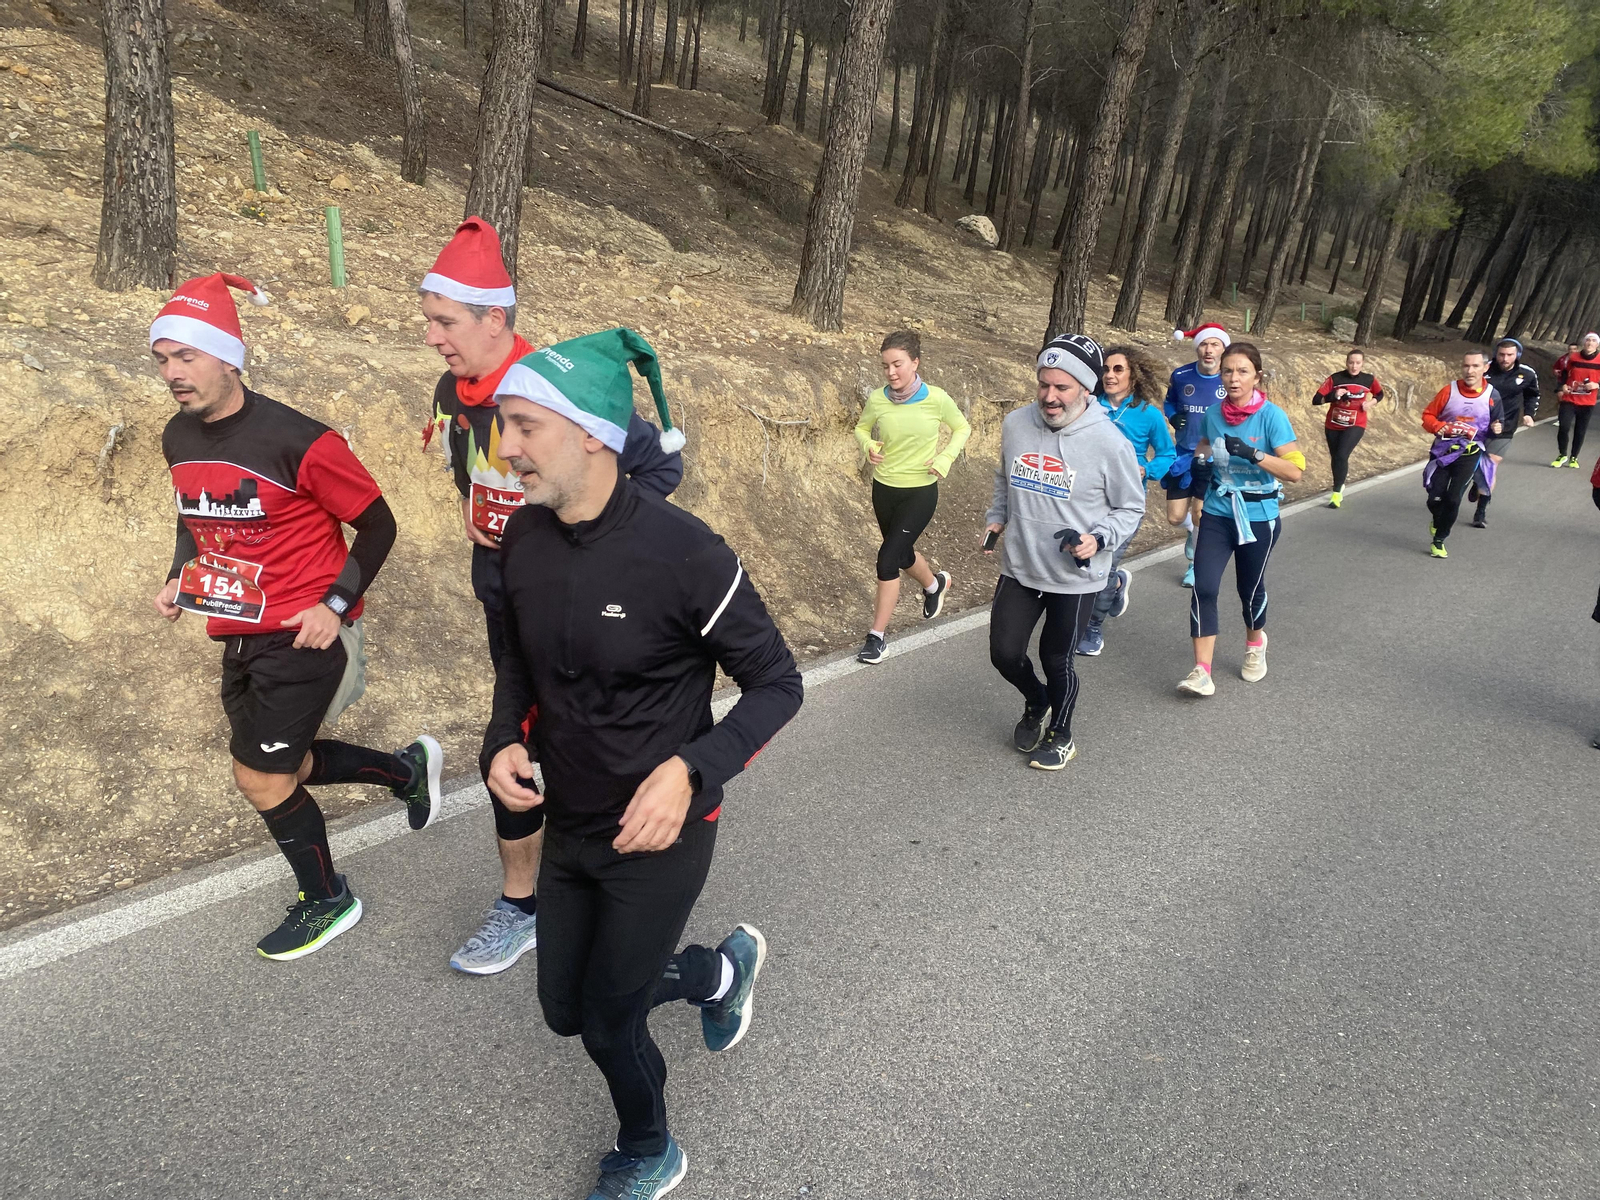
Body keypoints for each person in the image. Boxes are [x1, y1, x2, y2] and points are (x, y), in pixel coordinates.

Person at [480, 329, 803, 1200]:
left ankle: (648, 1148)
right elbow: (516, 660)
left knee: (607, 1022)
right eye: (500, 426)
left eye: (521, 427)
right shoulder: (524, 541)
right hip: (572, 822)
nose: (503, 450)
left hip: (663, 831)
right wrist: (503, 737)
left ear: (590, 432)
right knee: (562, 1011)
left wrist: (693, 769)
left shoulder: (685, 553)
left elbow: (777, 683)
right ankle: (715, 973)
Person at [150, 273, 442, 960]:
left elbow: (378, 526)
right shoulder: (176, 437)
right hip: (236, 629)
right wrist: (176, 577)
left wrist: (333, 607)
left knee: (260, 778)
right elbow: (195, 518)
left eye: (186, 356)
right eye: (162, 359)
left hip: (303, 634)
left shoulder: (300, 441)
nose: (173, 373)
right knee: (290, 764)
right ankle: (405, 774)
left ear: (229, 357)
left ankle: (328, 899)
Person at [421, 218, 683, 976]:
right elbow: (469, 470)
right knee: (515, 742)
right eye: (429, 321)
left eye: (447, 322)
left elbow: (657, 473)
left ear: (494, 318)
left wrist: (583, 546)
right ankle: (531, 900)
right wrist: (486, 517)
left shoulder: (557, 387)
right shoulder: (453, 389)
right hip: (506, 597)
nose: (435, 337)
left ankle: (596, 891)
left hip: (582, 604)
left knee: (561, 743)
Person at [983, 334, 1146, 768]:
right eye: (1043, 385)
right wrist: (997, 515)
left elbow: (1132, 506)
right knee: (1004, 653)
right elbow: (1005, 475)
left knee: (1056, 658)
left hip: (1076, 575)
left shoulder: (1110, 442)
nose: (1049, 397)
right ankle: (1037, 701)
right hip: (1021, 564)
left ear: (1086, 389)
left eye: (1062, 388)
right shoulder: (1016, 423)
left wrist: (1100, 538)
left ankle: (1062, 733)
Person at [1177, 342, 1305, 697]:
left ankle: (1254, 643)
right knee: (1204, 586)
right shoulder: (1214, 413)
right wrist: (1200, 464)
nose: (1234, 378)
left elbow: (1295, 471)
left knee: (1249, 590)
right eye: (1228, 371)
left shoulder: (1272, 416)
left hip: (1258, 516)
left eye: (1242, 371)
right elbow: (1205, 442)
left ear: (1256, 377)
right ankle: (1202, 671)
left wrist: (1254, 453)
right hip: (1219, 511)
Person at [851, 330, 970, 664]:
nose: (891, 372)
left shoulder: (937, 399)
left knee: (887, 558)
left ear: (915, 362)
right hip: (884, 489)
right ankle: (935, 585)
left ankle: (876, 638)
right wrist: (868, 445)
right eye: (886, 365)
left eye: (898, 364)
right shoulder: (877, 399)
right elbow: (861, 428)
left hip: (920, 491)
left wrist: (945, 458)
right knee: (901, 554)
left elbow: (962, 428)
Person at [1077, 344, 1174, 656]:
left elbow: (1167, 453)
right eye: (1106, 369)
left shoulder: (1149, 415)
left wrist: (1146, 469)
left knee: (1103, 564)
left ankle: (1092, 627)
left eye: (1118, 369)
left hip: (1126, 504)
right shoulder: (1088, 405)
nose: (1109, 375)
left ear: (1134, 375)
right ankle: (1117, 584)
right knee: (1084, 561)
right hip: (1088, 499)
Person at [1164, 323, 1232, 587]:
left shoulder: (1229, 378)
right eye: (1204, 344)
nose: (1209, 350)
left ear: (1223, 348)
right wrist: (1173, 415)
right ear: (1197, 348)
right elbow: (1169, 401)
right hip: (1183, 454)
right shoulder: (1181, 375)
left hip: (1215, 457)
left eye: (1215, 344)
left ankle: (1194, 564)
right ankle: (1194, 532)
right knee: (1175, 517)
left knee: (1200, 513)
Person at [1421, 350, 1504, 559]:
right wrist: (1437, 426)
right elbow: (1428, 415)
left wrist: (1497, 428)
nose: (1470, 371)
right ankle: (1438, 518)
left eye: (1475, 366)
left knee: (1454, 499)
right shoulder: (1449, 391)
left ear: (1485, 368)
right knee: (1434, 499)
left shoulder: (1492, 395)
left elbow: (1499, 421)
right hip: (1443, 451)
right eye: (1466, 366)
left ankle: (1439, 539)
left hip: (1470, 453)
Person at [1471, 337, 1540, 525]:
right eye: (1501, 354)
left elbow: (1532, 395)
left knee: (1489, 465)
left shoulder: (1526, 374)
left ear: (1517, 355)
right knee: (1473, 463)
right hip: (1477, 424)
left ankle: (1481, 511)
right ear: (1496, 354)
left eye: (1510, 355)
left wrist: (1529, 414)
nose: (1505, 359)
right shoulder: (1483, 369)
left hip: (1505, 426)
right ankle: (1475, 478)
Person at [1310, 348, 1385, 508]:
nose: (1354, 366)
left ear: (1362, 364)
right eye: (1351, 362)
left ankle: (1336, 494)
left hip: (1356, 424)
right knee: (1336, 457)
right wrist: (1334, 395)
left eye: (1358, 363)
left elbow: (1380, 394)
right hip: (1333, 424)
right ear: (1346, 363)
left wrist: (1370, 403)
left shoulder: (1368, 379)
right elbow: (1316, 400)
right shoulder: (1336, 378)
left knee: (1342, 454)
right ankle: (1339, 484)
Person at [1552, 331, 1600, 468]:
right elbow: (1565, 373)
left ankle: (1574, 457)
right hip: (1570, 397)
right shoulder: (1574, 357)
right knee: (1564, 426)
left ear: (1597, 345)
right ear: (1584, 343)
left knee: (1580, 430)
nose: (1590, 343)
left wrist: (1596, 385)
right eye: (1588, 340)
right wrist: (1564, 385)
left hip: (1587, 401)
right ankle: (1562, 454)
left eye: (1593, 341)